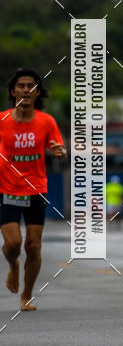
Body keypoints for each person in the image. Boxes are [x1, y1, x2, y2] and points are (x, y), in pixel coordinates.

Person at [0, 69, 67, 311]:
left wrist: (60, 152)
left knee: (33, 246)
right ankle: (13, 266)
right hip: (7, 188)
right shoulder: (2, 120)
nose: (26, 89)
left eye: (31, 86)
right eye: (21, 85)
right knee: (12, 244)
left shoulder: (46, 121)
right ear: (13, 91)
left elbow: (60, 149)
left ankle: (26, 296)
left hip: (36, 188)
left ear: (38, 93)